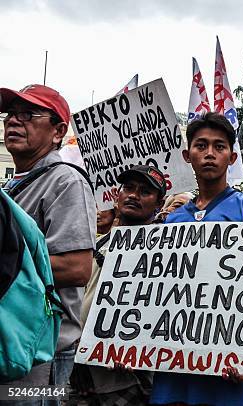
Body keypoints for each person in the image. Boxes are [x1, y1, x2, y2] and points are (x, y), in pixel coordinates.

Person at [149, 112, 243, 406]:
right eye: (201, 146)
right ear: (187, 155)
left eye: (219, 147)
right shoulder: (172, 221)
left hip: (232, 365)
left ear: (232, 157)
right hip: (176, 363)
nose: (209, 154)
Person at [0, 84, 96, 397]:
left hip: (42, 352)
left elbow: (77, 267)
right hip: (10, 343)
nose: (14, 121)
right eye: (10, 114)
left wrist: (9, 263)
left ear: (58, 132)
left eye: (28, 114)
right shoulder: (12, 186)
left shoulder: (65, 181)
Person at [76, 165, 166, 406]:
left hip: (129, 380)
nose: (134, 195)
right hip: (82, 374)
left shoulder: (167, 254)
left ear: (160, 202)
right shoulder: (97, 244)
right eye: (128, 188)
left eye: (145, 191)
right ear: (118, 194)